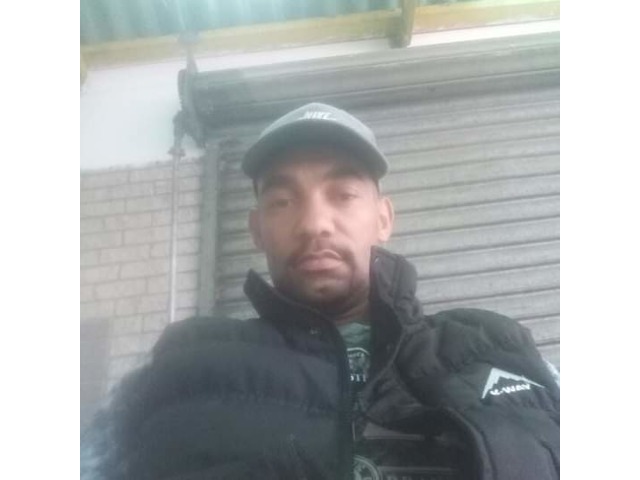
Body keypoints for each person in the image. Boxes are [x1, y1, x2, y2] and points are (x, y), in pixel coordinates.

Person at [81, 103, 560, 480]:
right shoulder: (180, 368)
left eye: (343, 195)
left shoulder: (498, 347)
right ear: (256, 229)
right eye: (282, 201)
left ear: (383, 218)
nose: (313, 224)